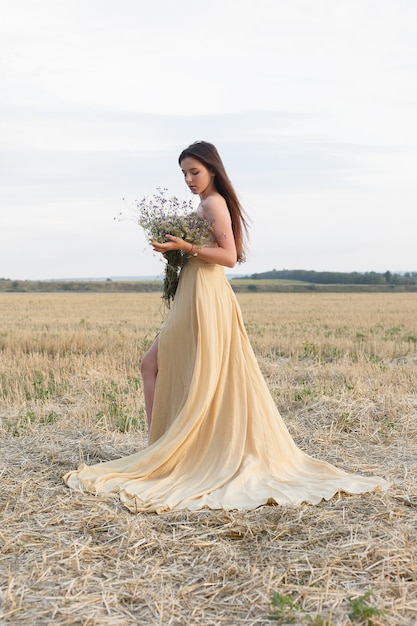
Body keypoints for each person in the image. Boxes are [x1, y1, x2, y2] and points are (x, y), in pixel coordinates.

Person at [64, 141, 388, 513]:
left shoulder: (213, 203)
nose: (188, 179)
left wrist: (187, 246)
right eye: (183, 173)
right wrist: (175, 251)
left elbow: (230, 257)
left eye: (194, 171)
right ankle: (161, 448)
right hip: (194, 292)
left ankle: (161, 451)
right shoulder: (204, 204)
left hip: (206, 294)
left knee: (161, 365)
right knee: (155, 364)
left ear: (213, 170)